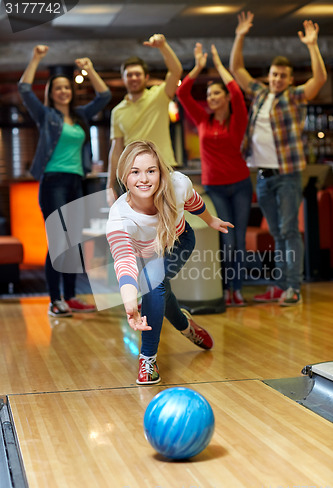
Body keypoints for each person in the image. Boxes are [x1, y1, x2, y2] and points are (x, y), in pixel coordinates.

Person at [106, 140, 234, 384]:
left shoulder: (176, 184)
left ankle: (148, 360)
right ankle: (186, 326)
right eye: (135, 172)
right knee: (158, 289)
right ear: (124, 176)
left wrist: (211, 220)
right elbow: (124, 264)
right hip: (148, 254)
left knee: (153, 285)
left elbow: (194, 202)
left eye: (150, 171)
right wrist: (131, 306)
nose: (144, 179)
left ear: (160, 172)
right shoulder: (118, 217)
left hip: (180, 241)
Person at [229, 13, 327, 306]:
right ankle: (280, 284)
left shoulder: (295, 97)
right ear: (269, 76)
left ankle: (292, 288)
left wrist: (312, 46)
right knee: (276, 232)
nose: (277, 79)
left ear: (289, 79)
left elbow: (319, 78)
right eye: (274, 74)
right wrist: (240, 35)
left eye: (282, 76)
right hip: (263, 176)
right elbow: (236, 68)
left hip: (287, 176)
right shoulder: (259, 93)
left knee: (287, 232)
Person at [18, 45, 111, 317]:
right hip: (53, 183)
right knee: (59, 243)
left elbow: (104, 95)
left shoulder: (81, 116)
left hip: (76, 183)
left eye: (66, 88)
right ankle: (54, 300)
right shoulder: (46, 116)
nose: (63, 92)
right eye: (57, 88)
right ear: (51, 93)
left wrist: (90, 70)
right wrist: (35, 58)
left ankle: (70, 297)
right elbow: (25, 90)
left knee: (76, 243)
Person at [177, 43, 252, 307]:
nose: (211, 97)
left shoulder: (238, 118)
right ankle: (225, 288)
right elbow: (182, 92)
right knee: (228, 239)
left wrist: (219, 65)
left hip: (241, 184)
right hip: (216, 188)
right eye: (208, 94)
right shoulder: (202, 120)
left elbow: (237, 92)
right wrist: (197, 67)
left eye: (216, 93)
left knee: (239, 239)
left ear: (226, 97)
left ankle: (237, 290)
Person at [106, 33, 182, 205]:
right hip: (134, 175)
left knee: (169, 222)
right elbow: (116, 149)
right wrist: (110, 184)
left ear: (146, 77)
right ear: (124, 79)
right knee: (140, 225)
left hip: (164, 169)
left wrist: (163, 46)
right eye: (129, 75)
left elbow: (176, 71)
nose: (134, 78)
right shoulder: (118, 111)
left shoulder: (159, 96)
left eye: (137, 74)